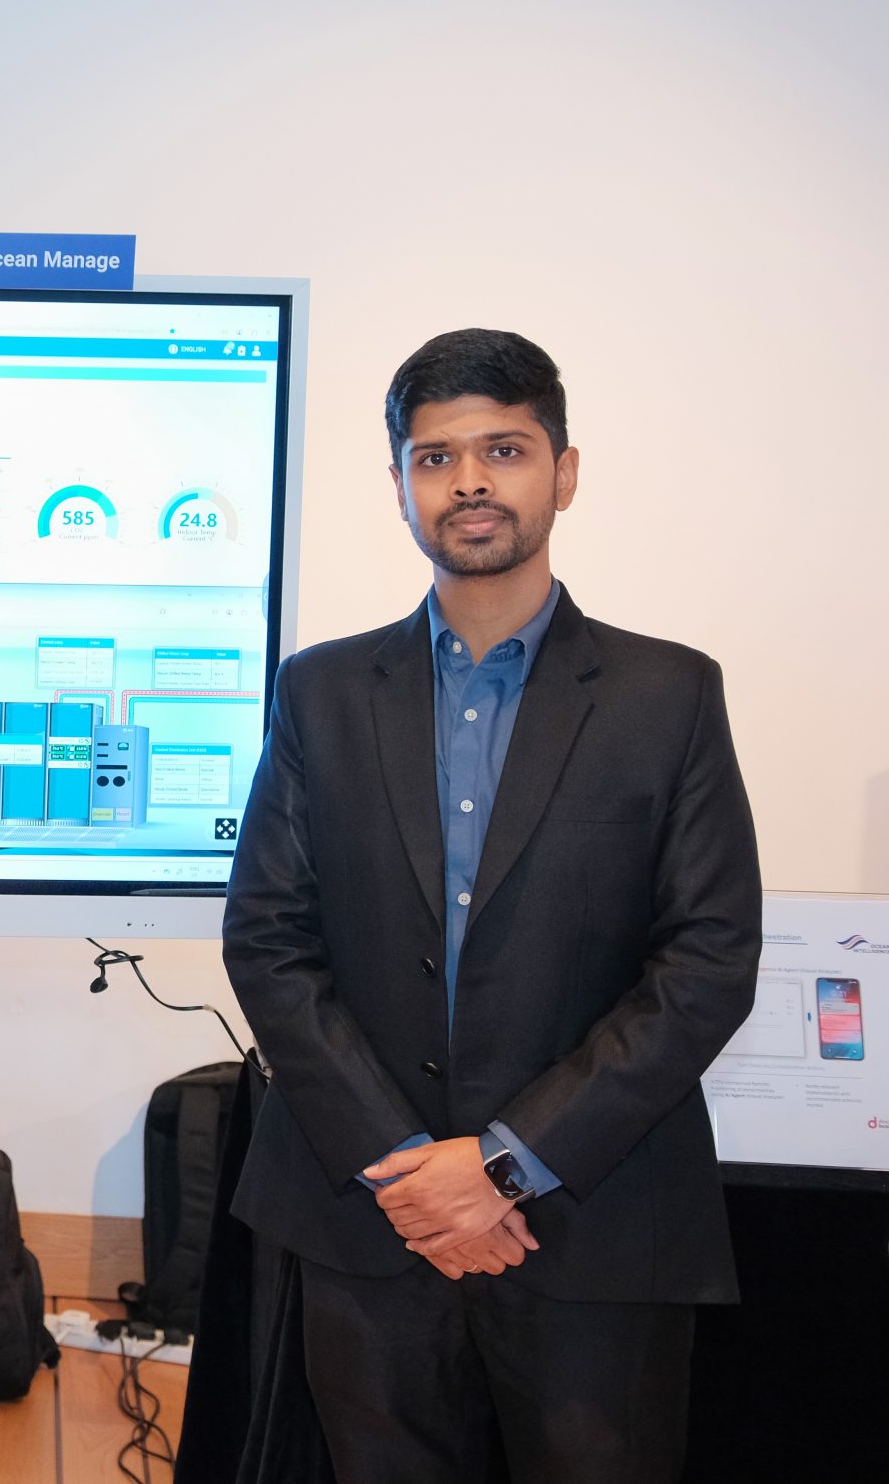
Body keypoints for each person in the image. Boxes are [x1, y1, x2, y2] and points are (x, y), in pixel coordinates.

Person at [221, 328, 760, 1482]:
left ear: (563, 473)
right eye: (435, 458)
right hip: (371, 1219)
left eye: (502, 450)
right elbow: (267, 939)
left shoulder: (667, 694)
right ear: (401, 487)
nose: (467, 481)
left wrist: (503, 1166)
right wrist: (408, 1169)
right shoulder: (319, 691)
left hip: (595, 1221)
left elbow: (707, 960)